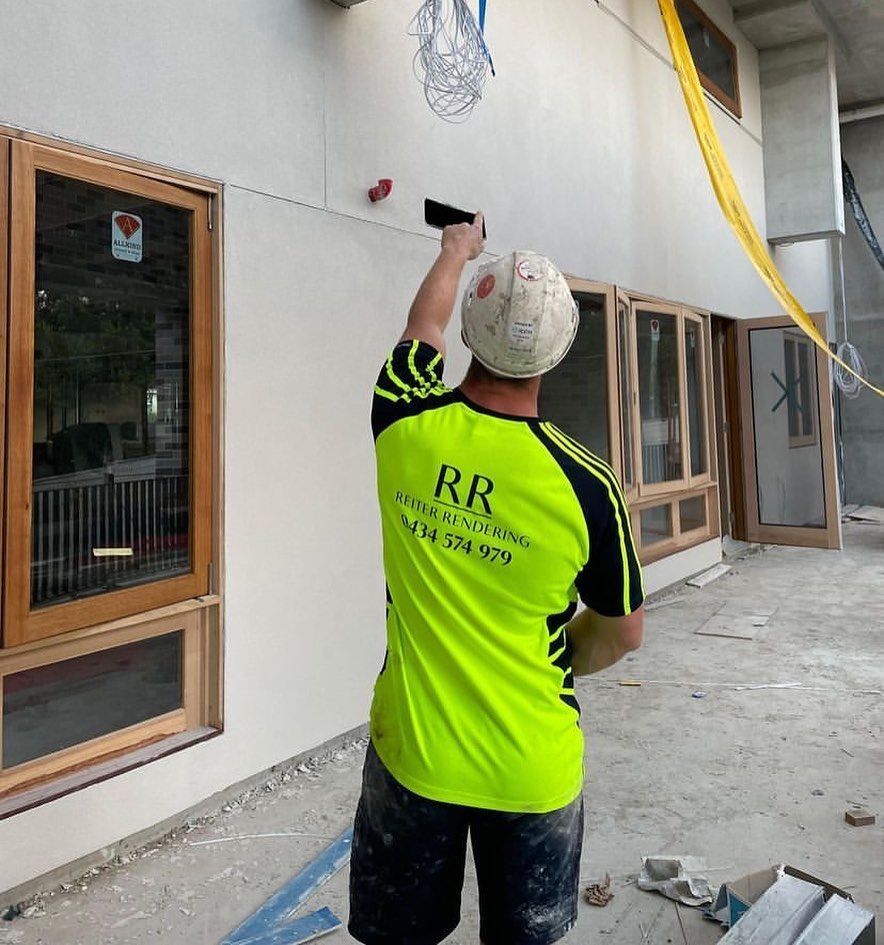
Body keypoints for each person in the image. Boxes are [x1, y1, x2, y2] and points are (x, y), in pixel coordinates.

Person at [349, 213, 644, 945]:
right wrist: (550, 655)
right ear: (561, 349)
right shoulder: (587, 486)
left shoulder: (404, 419)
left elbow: (422, 329)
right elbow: (622, 632)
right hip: (531, 767)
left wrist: (456, 250)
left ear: (472, 331)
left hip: (413, 755)